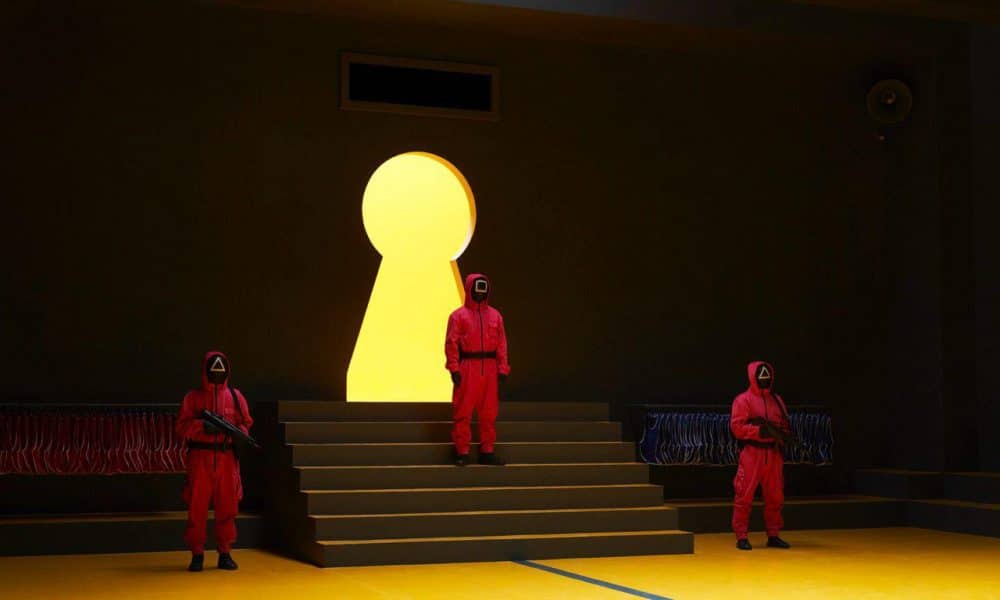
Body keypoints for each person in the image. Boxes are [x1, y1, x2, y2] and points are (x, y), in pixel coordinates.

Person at [176, 351, 253, 571]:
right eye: (213, 369)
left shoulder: (236, 397)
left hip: (227, 458)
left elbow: (246, 423)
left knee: (228, 506)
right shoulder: (193, 398)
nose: (217, 373)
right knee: (197, 507)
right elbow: (181, 427)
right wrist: (202, 426)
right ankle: (197, 554)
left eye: (221, 369)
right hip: (200, 458)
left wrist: (238, 433)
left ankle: (225, 552)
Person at [445, 273, 511, 467]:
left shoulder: (496, 316)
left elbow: (502, 344)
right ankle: (462, 451)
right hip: (468, 367)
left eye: (484, 289)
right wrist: (454, 368)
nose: (480, 293)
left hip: (490, 368)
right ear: (469, 290)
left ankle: (487, 451)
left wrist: (503, 368)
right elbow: (451, 343)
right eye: (477, 289)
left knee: (489, 413)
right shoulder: (458, 316)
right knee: (463, 411)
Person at [729, 360, 792, 550]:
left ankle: (773, 534)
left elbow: (784, 425)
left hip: (773, 454)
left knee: (775, 496)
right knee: (744, 495)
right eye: (761, 376)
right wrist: (758, 432)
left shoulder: (777, 400)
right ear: (753, 378)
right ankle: (741, 536)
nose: (765, 379)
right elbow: (736, 428)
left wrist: (782, 436)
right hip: (751, 453)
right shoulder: (743, 400)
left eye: (768, 376)